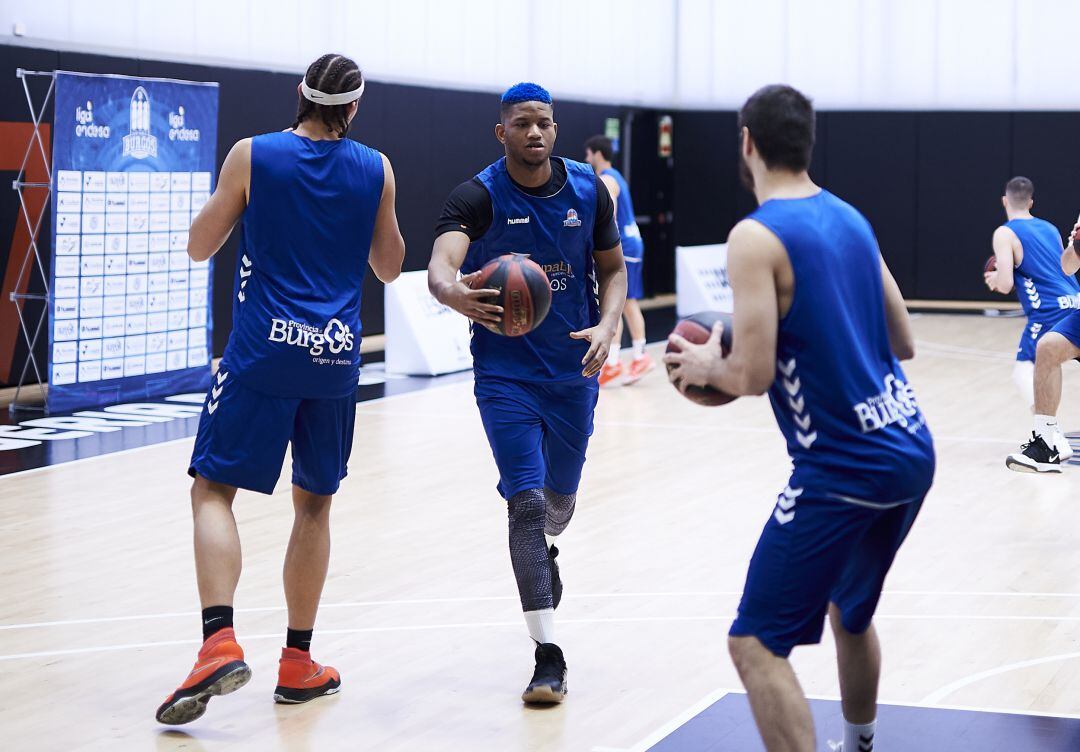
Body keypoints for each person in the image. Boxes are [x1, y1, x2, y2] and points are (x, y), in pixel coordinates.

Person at [664, 84, 935, 752]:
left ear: (748, 143)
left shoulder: (755, 237)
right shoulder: (851, 219)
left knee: (754, 642)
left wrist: (705, 371)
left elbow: (751, 376)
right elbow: (903, 341)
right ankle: (861, 743)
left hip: (844, 467)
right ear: (807, 142)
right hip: (911, 447)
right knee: (849, 614)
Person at [155, 53, 405, 725]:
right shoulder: (376, 168)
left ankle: (217, 641)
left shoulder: (252, 155)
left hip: (263, 353)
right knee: (314, 507)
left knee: (212, 488)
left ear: (301, 94)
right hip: (332, 359)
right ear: (355, 106)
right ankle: (298, 662)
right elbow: (388, 265)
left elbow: (199, 246)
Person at [428, 82, 626, 704]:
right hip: (505, 377)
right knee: (527, 507)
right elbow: (440, 264)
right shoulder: (478, 196)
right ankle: (548, 655)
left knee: (558, 508)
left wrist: (610, 321)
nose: (534, 132)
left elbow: (614, 269)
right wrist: (451, 291)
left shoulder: (589, 191)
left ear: (555, 129)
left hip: (573, 375)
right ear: (502, 132)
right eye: (522, 124)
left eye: (544, 123)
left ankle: (544, 557)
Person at [985, 177, 1079, 467]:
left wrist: (994, 279)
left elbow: (1004, 283)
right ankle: (1047, 438)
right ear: (1031, 202)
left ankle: (1053, 437)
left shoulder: (1004, 233)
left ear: (1005, 201)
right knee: (1047, 349)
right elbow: (1066, 266)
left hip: (1047, 308)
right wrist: (1077, 244)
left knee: (1021, 372)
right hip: (1074, 300)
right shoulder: (1049, 227)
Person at [584, 135, 653, 386]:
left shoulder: (607, 179)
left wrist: (599, 237)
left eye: (588, 154)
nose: (586, 159)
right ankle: (613, 362)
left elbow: (609, 210)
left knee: (627, 302)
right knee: (620, 303)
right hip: (631, 242)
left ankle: (640, 356)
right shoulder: (617, 175)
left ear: (597, 154)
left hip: (624, 245)